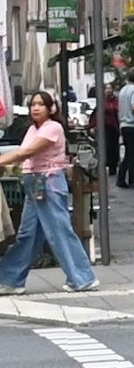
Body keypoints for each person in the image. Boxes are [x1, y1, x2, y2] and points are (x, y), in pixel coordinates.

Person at [0, 90, 99, 295]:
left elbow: (26, 152)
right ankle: (11, 279)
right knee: (28, 234)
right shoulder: (32, 129)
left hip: (48, 183)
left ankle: (82, 277)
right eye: (33, 104)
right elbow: (23, 155)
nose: (36, 108)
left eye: (41, 104)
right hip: (34, 185)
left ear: (50, 108)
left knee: (59, 231)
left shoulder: (52, 128)